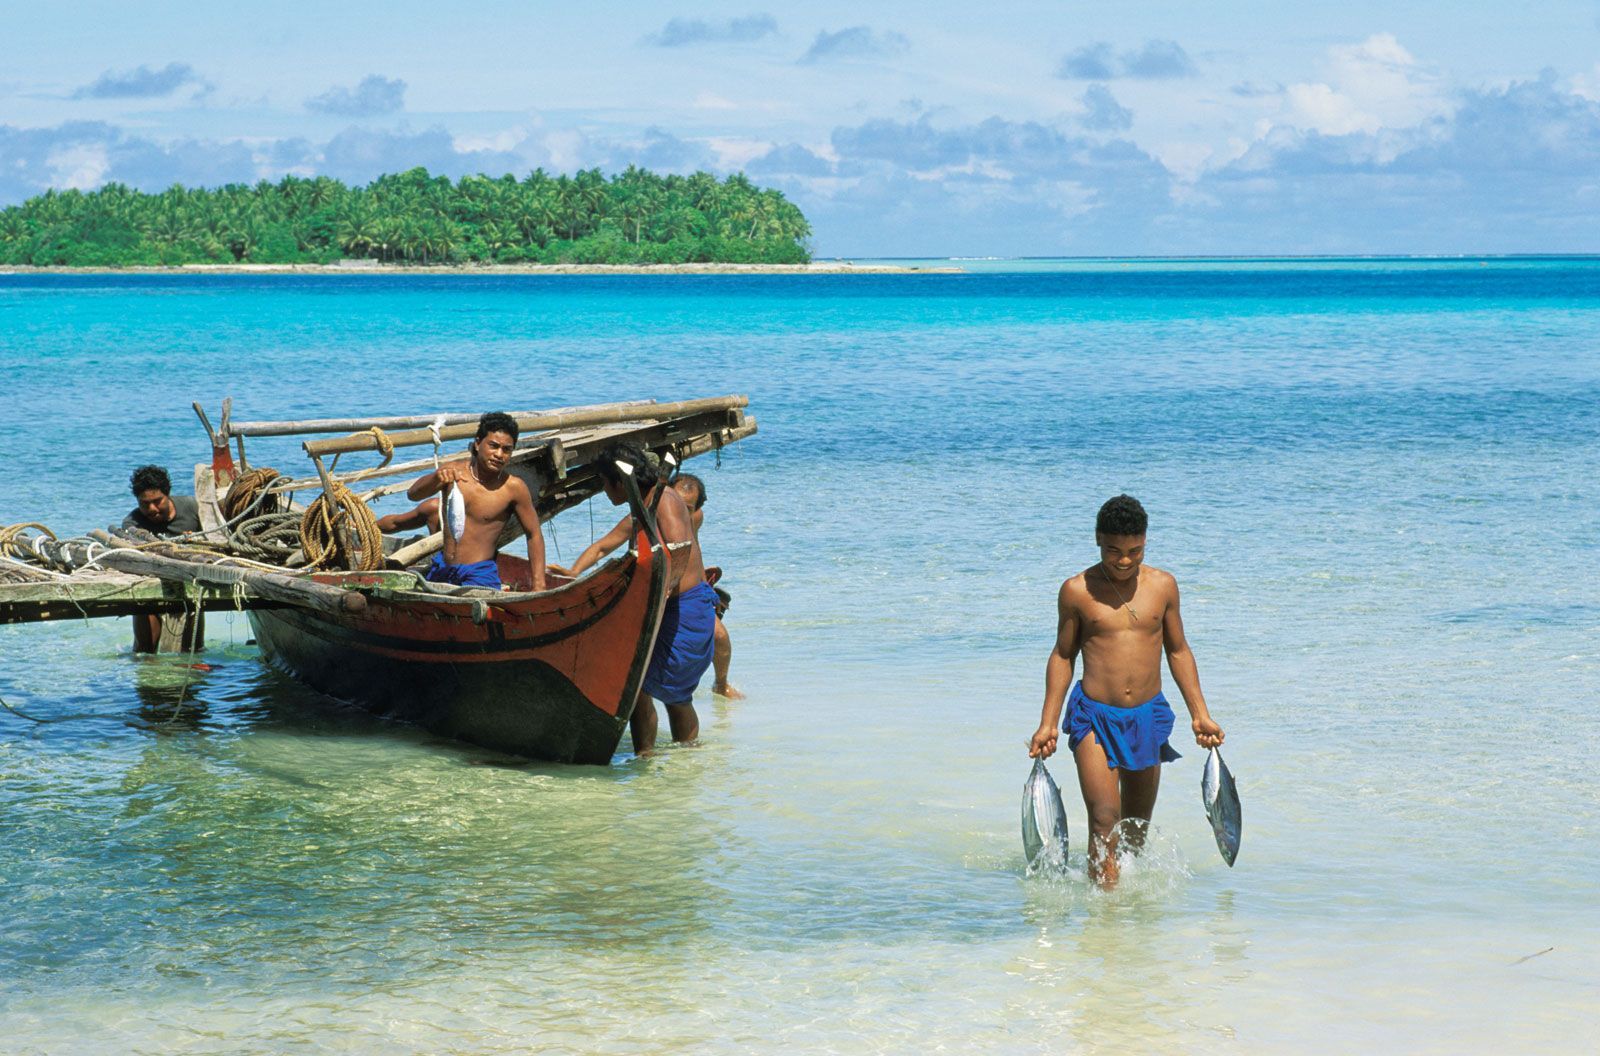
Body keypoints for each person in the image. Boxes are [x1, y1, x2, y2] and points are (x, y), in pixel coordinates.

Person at [1027, 494, 1225, 890]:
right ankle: (1103, 913)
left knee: (1135, 830)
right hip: (1095, 716)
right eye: (1113, 551)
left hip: (1146, 716)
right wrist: (1048, 723)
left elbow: (1178, 650)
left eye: (1134, 551)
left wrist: (1200, 714)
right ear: (1098, 540)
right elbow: (1063, 655)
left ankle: (1128, 921)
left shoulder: (1163, 586)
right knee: (1104, 818)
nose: (1123, 561)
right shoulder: (1077, 591)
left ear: (1145, 542)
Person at [553, 442, 715, 753]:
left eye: (604, 482)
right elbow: (603, 546)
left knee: (657, 691)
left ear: (619, 480)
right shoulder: (646, 505)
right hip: (668, 608)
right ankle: (667, 760)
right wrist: (573, 573)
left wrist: (655, 597)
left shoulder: (664, 500)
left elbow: (679, 550)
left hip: (684, 610)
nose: (604, 490)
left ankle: (651, 757)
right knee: (662, 693)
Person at [403, 412, 545, 591]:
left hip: (479, 574)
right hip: (443, 568)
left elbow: (534, 534)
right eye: (493, 446)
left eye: (506, 449)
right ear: (478, 444)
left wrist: (539, 584)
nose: (499, 454)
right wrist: (436, 478)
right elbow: (413, 494)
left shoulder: (513, 488)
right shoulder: (454, 472)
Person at [673, 473, 743, 699]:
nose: (682, 512)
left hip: (689, 590)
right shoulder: (655, 515)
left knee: (720, 637)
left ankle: (720, 684)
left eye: (688, 508)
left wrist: (704, 585)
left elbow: (694, 549)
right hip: (663, 589)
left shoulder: (695, 517)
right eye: (677, 504)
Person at [122, 465, 205, 653]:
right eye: (144, 504)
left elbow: (213, 538)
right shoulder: (132, 523)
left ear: (167, 494)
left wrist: (196, 541)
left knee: (193, 651)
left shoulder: (192, 508)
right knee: (145, 651)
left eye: (157, 501)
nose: (151, 509)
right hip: (152, 582)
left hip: (189, 581)